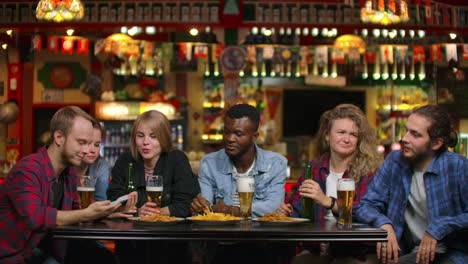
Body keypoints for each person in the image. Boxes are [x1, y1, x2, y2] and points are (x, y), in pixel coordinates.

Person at [0, 106, 136, 263]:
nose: (87, 151)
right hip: (17, 255)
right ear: (59, 137)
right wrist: (86, 214)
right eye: (81, 142)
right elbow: (35, 217)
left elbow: (76, 210)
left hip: (50, 246)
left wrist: (110, 211)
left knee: (105, 258)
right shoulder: (28, 169)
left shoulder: (68, 172)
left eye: (90, 143)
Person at [356, 105, 468, 264]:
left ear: (436, 143)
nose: (405, 138)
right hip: (410, 253)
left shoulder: (458, 166)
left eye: (415, 134)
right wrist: (384, 224)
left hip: (453, 254)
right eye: (407, 130)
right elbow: (366, 204)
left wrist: (439, 227)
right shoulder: (394, 161)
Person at [277, 104, 382, 263]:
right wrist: (286, 212)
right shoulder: (314, 168)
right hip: (317, 248)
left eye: (353, 134)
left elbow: (368, 213)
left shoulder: (369, 171)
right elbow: (299, 210)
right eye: (341, 132)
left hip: (356, 250)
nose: (346, 139)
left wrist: (328, 201)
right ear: (327, 135)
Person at [190, 104, 288, 264]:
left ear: (255, 136)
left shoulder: (276, 163)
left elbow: (274, 207)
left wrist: (231, 210)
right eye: (226, 132)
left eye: (238, 134)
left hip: (261, 244)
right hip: (220, 245)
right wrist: (206, 208)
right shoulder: (209, 163)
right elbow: (205, 210)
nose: (229, 138)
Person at [107, 109, 199, 264]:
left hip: (172, 247)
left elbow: (185, 205)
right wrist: (136, 211)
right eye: (140, 136)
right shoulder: (125, 160)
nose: (145, 142)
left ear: (164, 138)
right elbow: (114, 199)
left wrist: (151, 215)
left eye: (153, 136)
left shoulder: (176, 160)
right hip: (132, 246)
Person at [74, 122, 110, 201]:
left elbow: (100, 202)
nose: (93, 150)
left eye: (97, 145)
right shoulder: (65, 165)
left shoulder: (100, 166)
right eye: (88, 143)